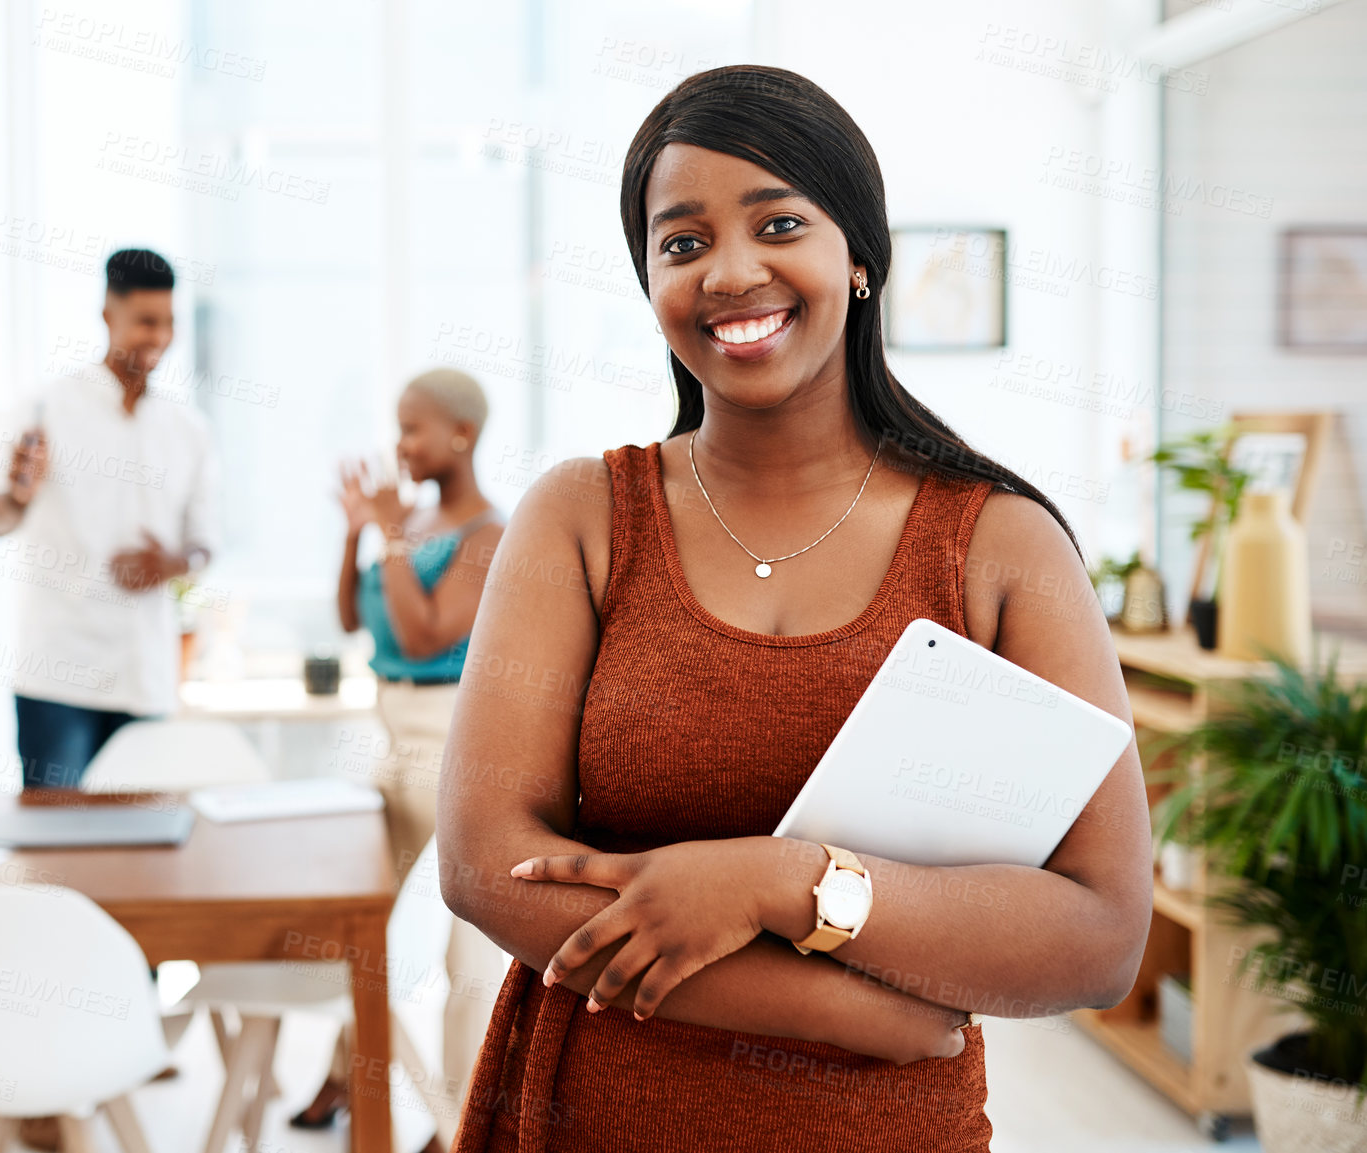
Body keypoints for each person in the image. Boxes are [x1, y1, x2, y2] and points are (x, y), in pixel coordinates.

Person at [438, 66, 1153, 1152]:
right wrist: (844, 1007)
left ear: (858, 256)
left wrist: (784, 882)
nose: (729, 272)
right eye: (680, 243)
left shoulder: (998, 545)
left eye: (778, 221)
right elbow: (485, 865)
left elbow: (1098, 932)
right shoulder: (581, 517)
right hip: (588, 1114)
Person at [289, 368, 511, 1153]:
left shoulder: (489, 534)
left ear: (462, 435)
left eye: (413, 429)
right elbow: (356, 617)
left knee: (468, 957)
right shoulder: (405, 519)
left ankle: (459, 1124)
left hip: (454, 750)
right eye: (396, 427)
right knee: (354, 925)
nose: (400, 445)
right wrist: (359, 530)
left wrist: (385, 533)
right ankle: (350, 1074)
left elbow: (422, 636)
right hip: (393, 743)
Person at [0, 248, 218, 791]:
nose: (158, 337)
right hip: (57, 677)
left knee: (144, 857)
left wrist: (173, 563)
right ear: (108, 315)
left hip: (144, 677)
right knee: (57, 849)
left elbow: (206, 542)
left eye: (168, 322)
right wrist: (18, 498)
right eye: (144, 322)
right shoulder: (47, 408)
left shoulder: (188, 430)